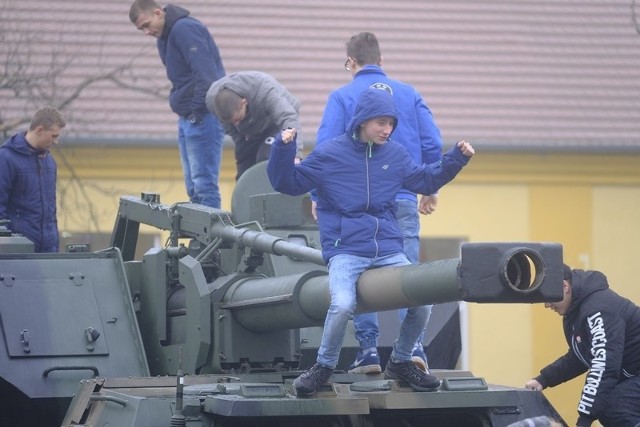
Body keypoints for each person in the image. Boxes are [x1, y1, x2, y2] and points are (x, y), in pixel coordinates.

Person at [267, 88, 474, 397]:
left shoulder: (395, 154)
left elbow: (427, 180)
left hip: (389, 249)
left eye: (391, 123)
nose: (386, 129)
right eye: (380, 123)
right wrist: (283, 150)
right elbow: (288, 182)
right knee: (342, 305)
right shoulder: (329, 154)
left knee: (423, 304)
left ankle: (402, 360)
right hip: (346, 250)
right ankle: (323, 367)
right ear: (362, 121)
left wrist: (456, 158)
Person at [315, 31, 443, 374]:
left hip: (357, 205)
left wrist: (319, 197)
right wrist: (430, 188)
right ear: (382, 62)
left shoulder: (342, 97)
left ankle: (368, 351)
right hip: (403, 197)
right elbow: (432, 141)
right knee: (408, 275)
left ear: (350, 63)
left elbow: (325, 149)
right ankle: (413, 348)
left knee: (360, 275)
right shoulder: (409, 93)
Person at [129, 0, 225, 208]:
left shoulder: (185, 29)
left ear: (158, 13)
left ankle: (212, 239)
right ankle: (201, 236)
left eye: (146, 25)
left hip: (202, 115)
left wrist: (196, 111)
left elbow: (206, 75)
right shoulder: (164, 37)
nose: (146, 32)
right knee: (193, 186)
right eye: (141, 29)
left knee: (204, 185)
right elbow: (182, 79)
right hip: (189, 116)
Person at [524, 264, 640, 427]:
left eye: (548, 298)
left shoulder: (598, 310)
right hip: (632, 372)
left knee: (616, 407)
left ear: (565, 286)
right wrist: (544, 379)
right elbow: (580, 357)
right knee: (610, 406)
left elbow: (603, 365)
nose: (546, 305)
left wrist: (584, 419)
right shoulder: (577, 311)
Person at [205, 71, 304, 180]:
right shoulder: (212, 101)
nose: (236, 124)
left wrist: (295, 155)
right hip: (249, 129)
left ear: (244, 102)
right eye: (232, 122)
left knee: (265, 159)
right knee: (244, 169)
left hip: (275, 122)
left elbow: (288, 118)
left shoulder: (264, 91)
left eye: (238, 119)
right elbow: (232, 130)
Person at [0, 107, 65, 253]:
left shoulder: (50, 162)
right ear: (40, 130)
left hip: (48, 250)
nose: (56, 141)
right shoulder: (6, 159)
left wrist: (54, 247)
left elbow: (51, 211)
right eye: (54, 136)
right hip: (17, 252)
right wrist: (6, 246)